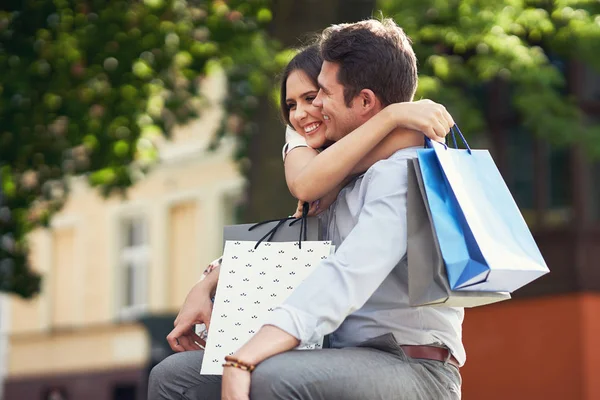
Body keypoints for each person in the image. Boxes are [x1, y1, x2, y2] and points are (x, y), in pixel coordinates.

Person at [149, 19, 461, 400]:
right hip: (340, 354)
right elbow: (288, 246)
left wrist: (248, 355)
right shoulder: (334, 174)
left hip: (413, 366)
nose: (310, 111)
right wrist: (210, 280)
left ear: (364, 102)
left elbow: (347, 274)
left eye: (321, 94)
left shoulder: (401, 172)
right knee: (173, 377)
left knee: (272, 375)